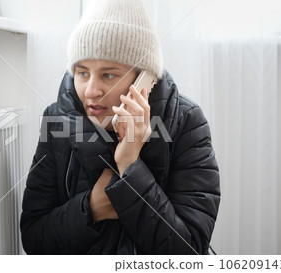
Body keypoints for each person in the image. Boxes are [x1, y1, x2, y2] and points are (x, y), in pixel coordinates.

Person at [20, 0, 220, 254]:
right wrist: (91, 207)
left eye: (108, 75)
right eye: (82, 73)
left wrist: (130, 167)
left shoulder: (187, 122)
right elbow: (34, 239)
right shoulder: (56, 120)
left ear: (144, 79)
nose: (91, 91)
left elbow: (189, 252)